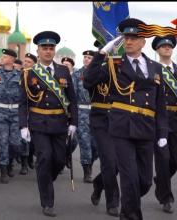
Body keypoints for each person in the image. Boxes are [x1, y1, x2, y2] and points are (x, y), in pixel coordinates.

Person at [85, 18, 168, 220]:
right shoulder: (115, 65)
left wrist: (162, 132)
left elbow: (160, 104)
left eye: (134, 38)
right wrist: (101, 54)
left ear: (143, 42)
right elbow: (89, 81)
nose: (129, 41)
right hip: (121, 127)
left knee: (145, 181)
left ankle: (127, 206)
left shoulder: (155, 68)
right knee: (129, 176)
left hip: (146, 128)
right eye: (126, 38)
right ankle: (130, 215)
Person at [19, 31, 78, 217]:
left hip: (60, 123)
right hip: (39, 123)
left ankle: (45, 178)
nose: (48, 51)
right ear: (38, 50)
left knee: (59, 160)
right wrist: (23, 125)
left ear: (54, 51)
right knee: (45, 158)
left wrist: (73, 122)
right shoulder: (29, 73)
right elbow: (23, 102)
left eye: (51, 48)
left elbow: (72, 99)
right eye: (44, 48)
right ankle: (47, 202)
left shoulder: (63, 71)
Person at [83, 40, 120, 217]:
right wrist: (100, 57)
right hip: (102, 120)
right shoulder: (97, 68)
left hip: (123, 120)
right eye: (108, 48)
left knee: (119, 163)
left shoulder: (125, 67)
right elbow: (88, 81)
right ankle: (113, 202)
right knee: (109, 162)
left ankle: (99, 183)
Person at [0, 48, 22, 184]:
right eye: (2, 56)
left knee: (15, 143)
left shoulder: (20, 74)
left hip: (15, 112)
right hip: (0, 112)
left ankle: (10, 163)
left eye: (5, 56)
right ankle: (3, 170)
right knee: (2, 141)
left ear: (12, 59)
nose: (2, 58)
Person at [151, 35, 177, 214]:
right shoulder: (153, 70)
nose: (167, 48)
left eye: (169, 46)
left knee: (174, 160)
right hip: (160, 119)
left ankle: (160, 180)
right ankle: (166, 197)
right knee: (163, 159)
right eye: (163, 46)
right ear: (157, 50)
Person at [72, 50, 98, 183]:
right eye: (85, 57)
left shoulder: (99, 73)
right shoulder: (77, 74)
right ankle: (87, 171)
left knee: (96, 145)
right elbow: (73, 95)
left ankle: (90, 162)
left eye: (89, 57)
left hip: (97, 113)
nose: (86, 59)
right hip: (82, 113)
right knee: (85, 143)